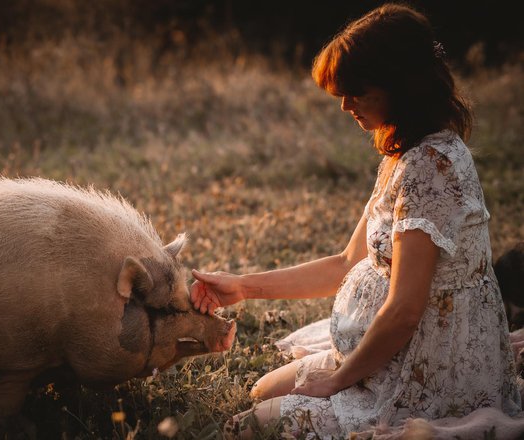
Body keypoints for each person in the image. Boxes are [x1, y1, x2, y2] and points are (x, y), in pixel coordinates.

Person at [189, 3, 521, 438]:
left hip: (428, 367)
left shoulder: (432, 168)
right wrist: (243, 286)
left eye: (357, 91)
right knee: (262, 392)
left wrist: (337, 381)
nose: (346, 105)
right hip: (392, 346)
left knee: (252, 427)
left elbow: (404, 311)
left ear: (400, 85)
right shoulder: (404, 153)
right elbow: (346, 262)